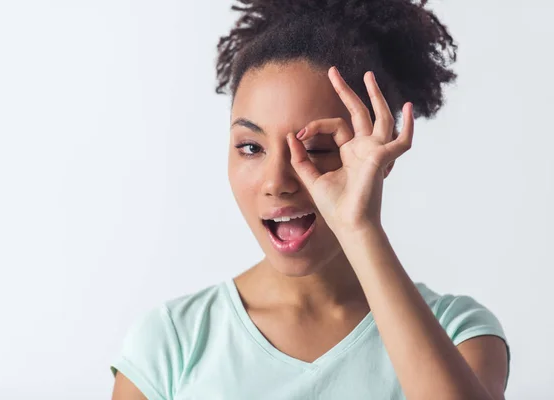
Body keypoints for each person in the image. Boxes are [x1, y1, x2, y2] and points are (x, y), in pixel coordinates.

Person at [110, 0, 511, 399]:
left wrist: (359, 228)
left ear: (382, 153)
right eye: (251, 147)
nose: (277, 181)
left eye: (317, 149)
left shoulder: (459, 332)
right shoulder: (170, 343)